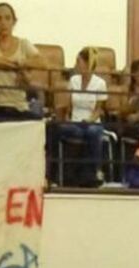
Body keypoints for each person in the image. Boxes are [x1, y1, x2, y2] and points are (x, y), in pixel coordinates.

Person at [0, 3, 46, 122]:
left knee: (48, 128)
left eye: (7, 18)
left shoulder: (23, 44)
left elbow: (42, 62)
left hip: (17, 107)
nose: (3, 22)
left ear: (14, 21)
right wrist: (17, 67)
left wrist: (20, 62)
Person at [57, 46, 108, 185]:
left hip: (92, 121)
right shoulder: (74, 80)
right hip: (75, 122)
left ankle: (95, 170)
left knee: (92, 131)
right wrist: (67, 117)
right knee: (68, 129)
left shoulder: (100, 83)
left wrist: (90, 120)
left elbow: (99, 109)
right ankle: (68, 174)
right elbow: (69, 105)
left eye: (78, 61)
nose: (76, 64)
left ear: (87, 63)